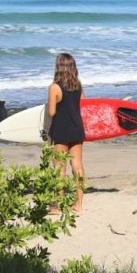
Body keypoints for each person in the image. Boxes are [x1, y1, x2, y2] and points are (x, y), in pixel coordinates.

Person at [47, 53, 86, 213]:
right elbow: (83, 104)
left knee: (59, 168)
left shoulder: (54, 87)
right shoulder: (78, 85)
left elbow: (51, 112)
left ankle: (58, 206)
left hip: (61, 130)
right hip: (77, 128)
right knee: (77, 166)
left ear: (59, 67)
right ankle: (79, 204)